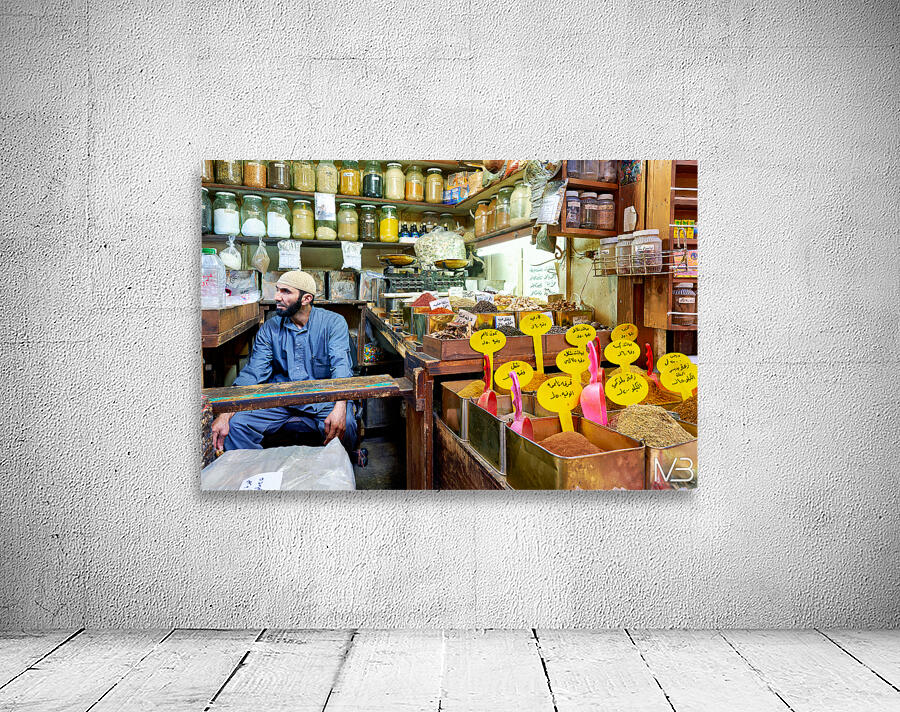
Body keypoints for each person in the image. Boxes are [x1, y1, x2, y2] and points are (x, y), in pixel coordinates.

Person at [210, 270, 358, 453]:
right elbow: (253, 373)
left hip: (323, 398)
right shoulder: (271, 328)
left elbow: (341, 367)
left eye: (286, 292)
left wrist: (341, 405)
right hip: (282, 399)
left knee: (347, 425)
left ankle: (337, 471)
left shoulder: (333, 323)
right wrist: (226, 412)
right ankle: (258, 475)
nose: (277, 297)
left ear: (306, 299)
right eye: (277, 290)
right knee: (236, 425)